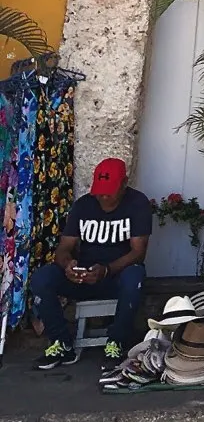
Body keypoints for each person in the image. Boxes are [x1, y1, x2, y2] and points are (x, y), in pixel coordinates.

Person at [29, 157, 152, 370]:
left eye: (110, 191)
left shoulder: (137, 203)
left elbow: (138, 253)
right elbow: (64, 248)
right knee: (42, 278)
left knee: (135, 276)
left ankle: (117, 342)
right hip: (83, 276)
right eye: (100, 190)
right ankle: (61, 343)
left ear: (124, 184)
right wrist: (68, 265)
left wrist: (106, 270)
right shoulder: (83, 206)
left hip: (117, 276)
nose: (103, 196)